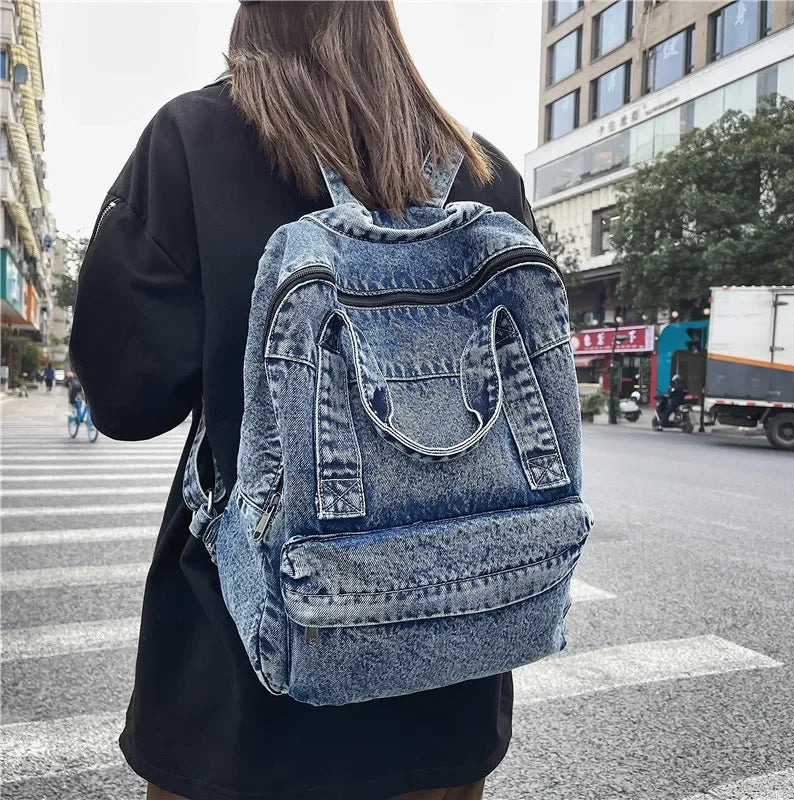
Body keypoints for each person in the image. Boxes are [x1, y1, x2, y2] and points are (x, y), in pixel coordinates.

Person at [70, 4, 540, 799]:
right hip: (451, 663)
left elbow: (125, 398)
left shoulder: (191, 139)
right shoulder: (480, 168)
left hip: (244, 672)